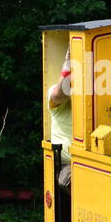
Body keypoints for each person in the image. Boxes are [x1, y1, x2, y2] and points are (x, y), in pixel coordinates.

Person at [47, 48, 73, 192]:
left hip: (102, 160)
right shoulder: (54, 92)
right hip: (68, 164)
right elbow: (58, 95)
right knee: (70, 179)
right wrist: (68, 65)